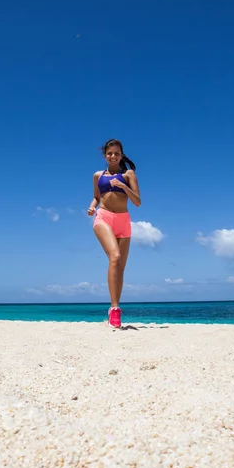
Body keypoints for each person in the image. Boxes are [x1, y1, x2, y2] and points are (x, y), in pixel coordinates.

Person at [87, 139, 141, 328]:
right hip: (104, 217)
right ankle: (115, 308)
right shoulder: (97, 175)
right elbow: (96, 197)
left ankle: (113, 310)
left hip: (123, 221)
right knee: (115, 257)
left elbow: (137, 201)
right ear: (105, 155)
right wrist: (92, 207)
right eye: (110, 153)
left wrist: (124, 186)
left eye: (117, 153)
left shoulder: (128, 174)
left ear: (121, 155)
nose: (113, 156)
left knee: (120, 269)